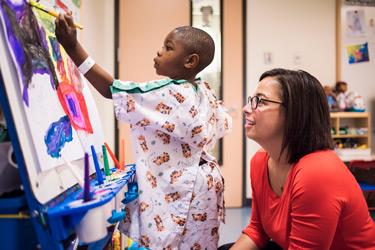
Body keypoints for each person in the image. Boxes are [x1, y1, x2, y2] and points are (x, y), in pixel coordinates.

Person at [55, 13, 232, 249]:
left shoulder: (171, 92)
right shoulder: (203, 91)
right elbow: (223, 123)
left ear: (190, 61)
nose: (159, 51)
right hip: (206, 185)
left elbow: (111, 89)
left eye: (168, 48)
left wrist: (73, 48)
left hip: (182, 191)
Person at [229, 69, 375, 249]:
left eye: (261, 101)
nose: (246, 108)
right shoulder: (259, 162)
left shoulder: (317, 172)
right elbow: (258, 230)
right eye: (252, 100)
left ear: (295, 112)